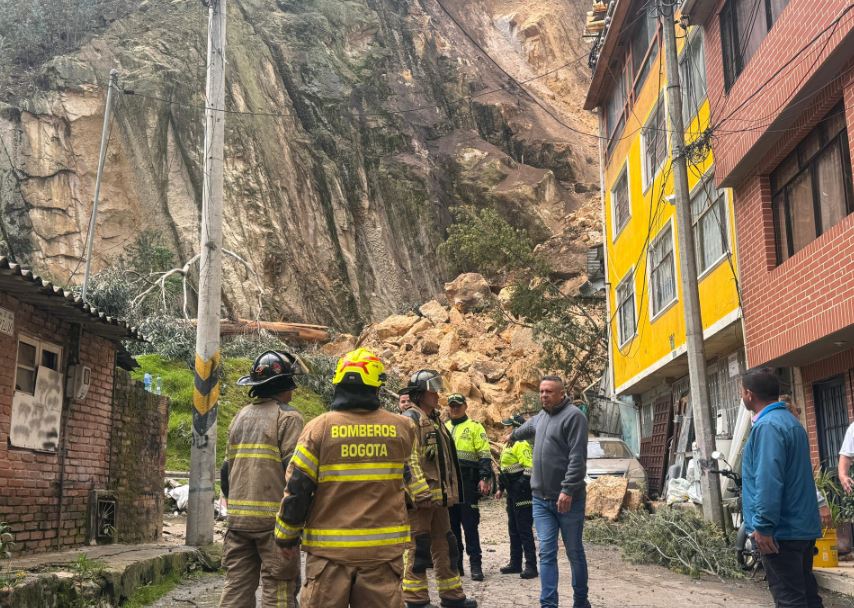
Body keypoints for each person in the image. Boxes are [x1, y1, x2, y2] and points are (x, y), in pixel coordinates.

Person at [274, 348, 431, 608]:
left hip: (329, 558)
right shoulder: (402, 428)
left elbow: (298, 488)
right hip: (382, 555)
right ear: (376, 387)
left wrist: (286, 536)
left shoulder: (318, 429)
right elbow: (407, 478)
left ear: (338, 384)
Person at [219, 351, 305, 608]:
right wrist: (296, 520)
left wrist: (235, 508)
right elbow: (297, 475)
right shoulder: (288, 418)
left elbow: (226, 471)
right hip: (274, 524)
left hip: (238, 522)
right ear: (284, 384)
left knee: (236, 586)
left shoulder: (240, 416)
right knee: (278, 587)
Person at [741, 367, 823, 608]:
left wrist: (763, 526)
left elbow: (768, 479)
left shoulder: (767, 427)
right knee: (807, 596)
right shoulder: (791, 422)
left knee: (790, 600)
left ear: (749, 394)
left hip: (780, 532)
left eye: (741, 393)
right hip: (801, 527)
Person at [510, 376, 589, 608]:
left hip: (568, 500)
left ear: (561, 394)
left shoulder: (574, 417)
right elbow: (527, 428)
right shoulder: (542, 416)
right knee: (546, 552)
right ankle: (548, 604)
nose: (544, 395)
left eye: (549, 392)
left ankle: (581, 601)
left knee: (574, 552)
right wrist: (512, 435)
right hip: (540, 500)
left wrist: (567, 489)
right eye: (542, 392)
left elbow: (577, 458)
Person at [402, 370, 477, 608]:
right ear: (419, 394)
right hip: (421, 501)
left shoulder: (435, 420)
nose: (437, 394)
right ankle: (415, 600)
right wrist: (420, 492)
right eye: (432, 390)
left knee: (447, 546)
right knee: (417, 548)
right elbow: (408, 460)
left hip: (439, 500)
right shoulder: (410, 420)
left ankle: (452, 596)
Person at [445, 393, 492, 581]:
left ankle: (476, 566)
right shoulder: (445, 427)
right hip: (450, 483)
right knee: (452, 526)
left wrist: (484, 477)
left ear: (465, 406)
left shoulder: (475, 427)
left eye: (458, 405)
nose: (454, 408)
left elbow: (484, 454)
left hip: (468, 482)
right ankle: (457, 567)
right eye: (451, 405)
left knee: (470, 525)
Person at [496, 414, 537, 579]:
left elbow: (530, 468)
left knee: (524, 529)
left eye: (508, 426)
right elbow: (505, 467)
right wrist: (501, 488)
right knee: (513, 528)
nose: (506, 429)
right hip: (512, 491)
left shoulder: (521, 444)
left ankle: (531, 566)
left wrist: (519, 485)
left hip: (522, 492)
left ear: (517, 428)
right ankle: (515, 562)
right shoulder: (509, 444)